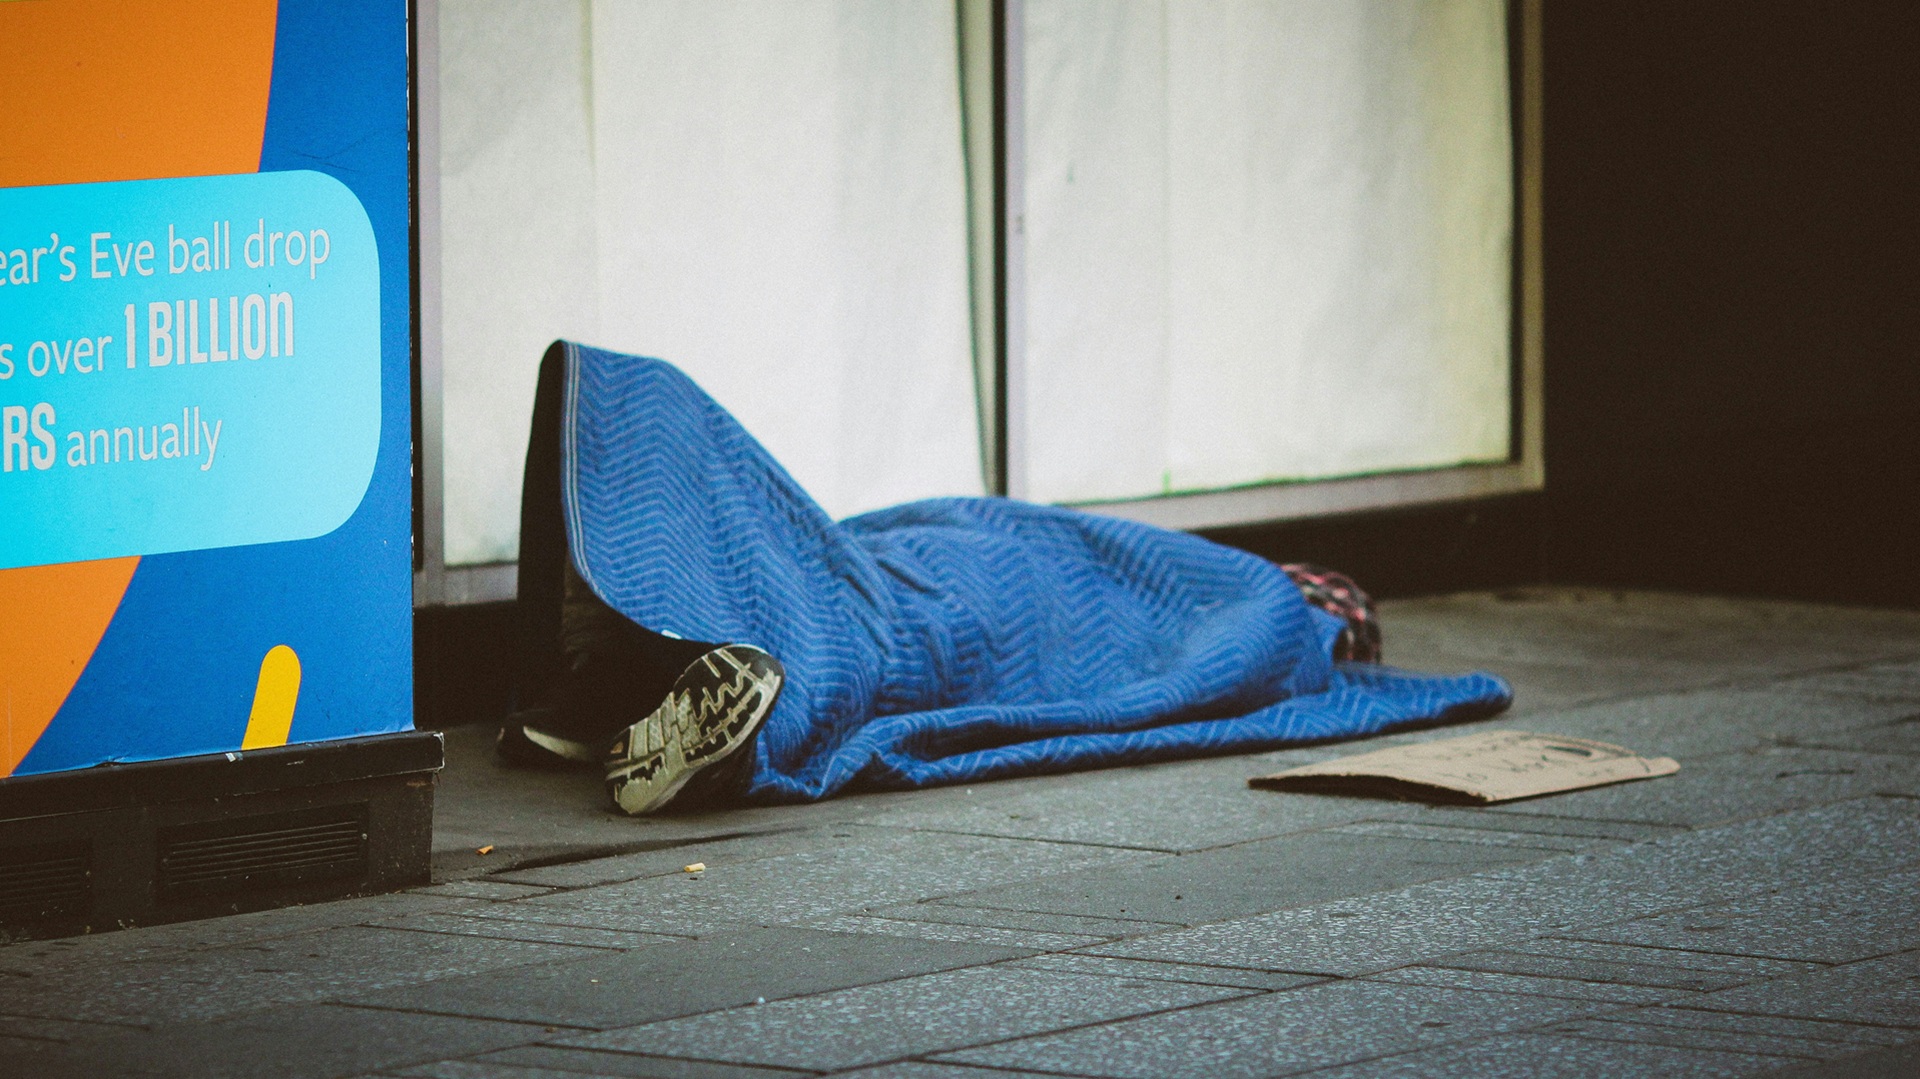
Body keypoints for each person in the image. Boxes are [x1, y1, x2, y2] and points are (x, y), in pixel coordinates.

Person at [499, 342, 1511, 814]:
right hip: (917, 567)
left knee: (876, 632)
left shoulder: (1271, 620)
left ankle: (661, 690)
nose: (1312, 595)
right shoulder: (1206, 574)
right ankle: (636, 676)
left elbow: (1169, 678)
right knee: (805, 551)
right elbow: (980, 528)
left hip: (945, 617)